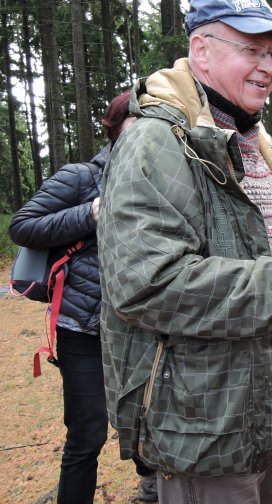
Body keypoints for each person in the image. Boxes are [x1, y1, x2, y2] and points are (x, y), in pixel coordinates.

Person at [97, 0, 272, 504]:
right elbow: (148, 285)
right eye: (252, 50)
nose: (269, 67)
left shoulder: (261, 146)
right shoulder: (155, 143)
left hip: (269, 404)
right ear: (201, 50)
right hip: (204, 421)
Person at [8, 91, 156, 503]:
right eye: (136, 125)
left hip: (140, 328)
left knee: (149, 418)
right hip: (84, 328)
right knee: (88, 432)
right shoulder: (79, 177)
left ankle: (151, 488)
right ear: (114, 128)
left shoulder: (160, 182)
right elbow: (23, 226)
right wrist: (90, 212)